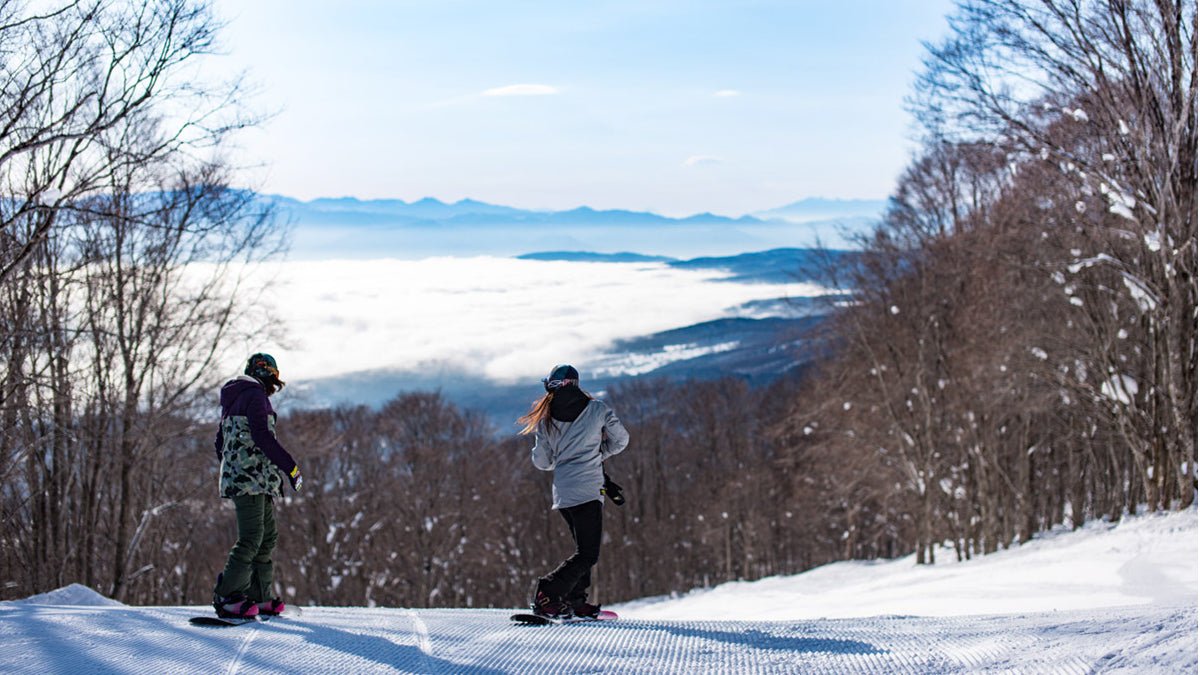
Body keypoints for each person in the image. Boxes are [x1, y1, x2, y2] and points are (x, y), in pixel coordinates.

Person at [519, 364, 630, 619]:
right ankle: (547, 592)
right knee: (588, 553)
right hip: (589, 488)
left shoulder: (546, 419)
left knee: (582, 548)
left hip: (564, 493)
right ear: (576, 383)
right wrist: (597, 454)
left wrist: (564, 456)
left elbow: (543, 463)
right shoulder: (597, 410)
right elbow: (621, 440)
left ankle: (575, 601)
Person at [210, 353, 302, 619]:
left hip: (255, 479)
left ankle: (258, 597)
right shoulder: (253, 395)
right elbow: (262, 436)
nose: (273, 385)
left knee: (266, 536)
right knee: (252, 538)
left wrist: (233, 467)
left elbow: (221, 442)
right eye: (272, 378)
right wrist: (291, 468)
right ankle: (227, 596)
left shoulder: (237, 396)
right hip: (250, 480)